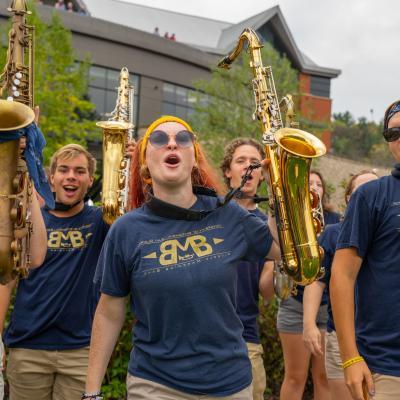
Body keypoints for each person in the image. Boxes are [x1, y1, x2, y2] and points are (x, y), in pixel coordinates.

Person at [84, 116, 280, 400]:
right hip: (155, 386)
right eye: (159, 139)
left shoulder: (227, 214)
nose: (172, 143)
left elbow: (280, 249)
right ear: (145, 164)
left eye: (183, 138)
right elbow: (109, 312)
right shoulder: (126, 230)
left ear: (194, 160)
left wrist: (280, 191)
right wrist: (91, 393)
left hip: (231, 385)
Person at [0, 144, 110, 400]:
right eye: (64, 170)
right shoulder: (28, 221)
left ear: (89, 180)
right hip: (28, 349)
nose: (71, 176)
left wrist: (136, 159)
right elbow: (6, 282)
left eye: (80, 171)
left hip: (81, 351)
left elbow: (137, 210)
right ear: (52, 178)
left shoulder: (102, 221)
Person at [331, 100, 400, 400]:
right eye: (393, 133)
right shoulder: (372, 196)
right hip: (386, 369)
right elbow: (342, 275)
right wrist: (350, 357)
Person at [302, 171, 378, 400]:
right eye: (360, 191)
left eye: (373, 190)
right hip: (341, 337)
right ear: (349, 198)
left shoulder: (389, 234)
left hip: (381, 339)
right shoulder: (334, 233)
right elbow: (317, 282)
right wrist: (308, 324)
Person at [276, 170, 339, 400]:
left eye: (318, 184)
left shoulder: (335, 221)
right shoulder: (290, 220)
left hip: (327, 308)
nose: (313, 187)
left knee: (324, 377)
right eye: (308, 183)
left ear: (324, 191)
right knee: (295, 377)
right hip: (295, 304)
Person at [220, 138, 274, 400]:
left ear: (263, 174)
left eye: (255, 163)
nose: (248, 168)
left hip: (246, 336)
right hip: (206, 334)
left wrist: (282, 264)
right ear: (228, 171)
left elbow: (266, 293)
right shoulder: (209, 211)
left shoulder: (268, 225)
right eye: (240, 161)